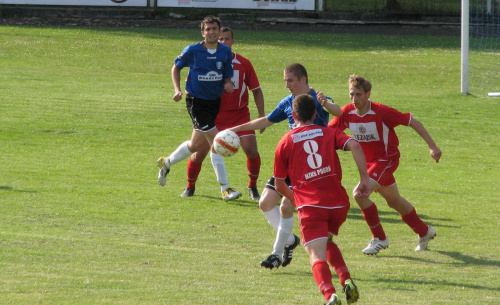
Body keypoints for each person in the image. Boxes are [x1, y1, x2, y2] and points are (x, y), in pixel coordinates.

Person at [229, 63, 341, 269]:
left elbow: (338, 112)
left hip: (311, 167)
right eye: (285, 81)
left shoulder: (318, 99)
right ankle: (290, 241)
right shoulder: (288, 102)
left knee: (286, 206)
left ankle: (276, 253)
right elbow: (266, 121)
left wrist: (326, 105)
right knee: (264, 203)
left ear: (303, 79)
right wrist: (235, 130)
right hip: (290, 163)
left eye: (290, 80)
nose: (287, 85)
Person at [328, 75, 442, 254]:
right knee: (394, 201)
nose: (354, 99)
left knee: (360, 193)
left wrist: (432, 146)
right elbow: (329, 133)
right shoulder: (347, 113)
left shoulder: (382, 111)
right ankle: (424, 231)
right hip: (371, 165)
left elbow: (412, 122)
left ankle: (380, 238)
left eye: (358, 94)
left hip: (387, 161)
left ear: (368, 94)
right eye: (351, 94)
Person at [273, 94, 369, 305]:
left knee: (316, 255)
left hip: (312, 206)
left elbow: (279, 184)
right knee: (326, 241)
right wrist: (364, 179)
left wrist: (297, 200)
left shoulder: (285, 142)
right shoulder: (329, 132)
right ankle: (346, 279)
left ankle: (330, 295)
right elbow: (354, 145)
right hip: (338, 204)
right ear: (316, 114)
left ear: (294, 114)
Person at [157, 16, 241, 201]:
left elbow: (227, 75)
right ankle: (225, 189)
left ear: (219, 32)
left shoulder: (225, 52)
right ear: (202, 32)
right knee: (217, 142)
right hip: (196, 101)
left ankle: (166, 162)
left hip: (214, 102)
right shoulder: (193, 50)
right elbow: (175, 68)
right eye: (207, 29)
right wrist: (177, 89)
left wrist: (228, 84)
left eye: (214, 28)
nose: (211, 32)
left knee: (195, 145)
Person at [181, 27, 265, 200]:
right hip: (214, 115)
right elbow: (191, 84)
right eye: (221, 39)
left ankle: (253, 186)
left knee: (251, 149)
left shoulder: (244, 63)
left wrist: (261, 115)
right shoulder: (206, 60)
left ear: (233, 42)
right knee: (199, 152)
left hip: (240, 115)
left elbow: (256, 90)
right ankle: (190, 186)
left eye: (227, 39)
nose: (224, 42)